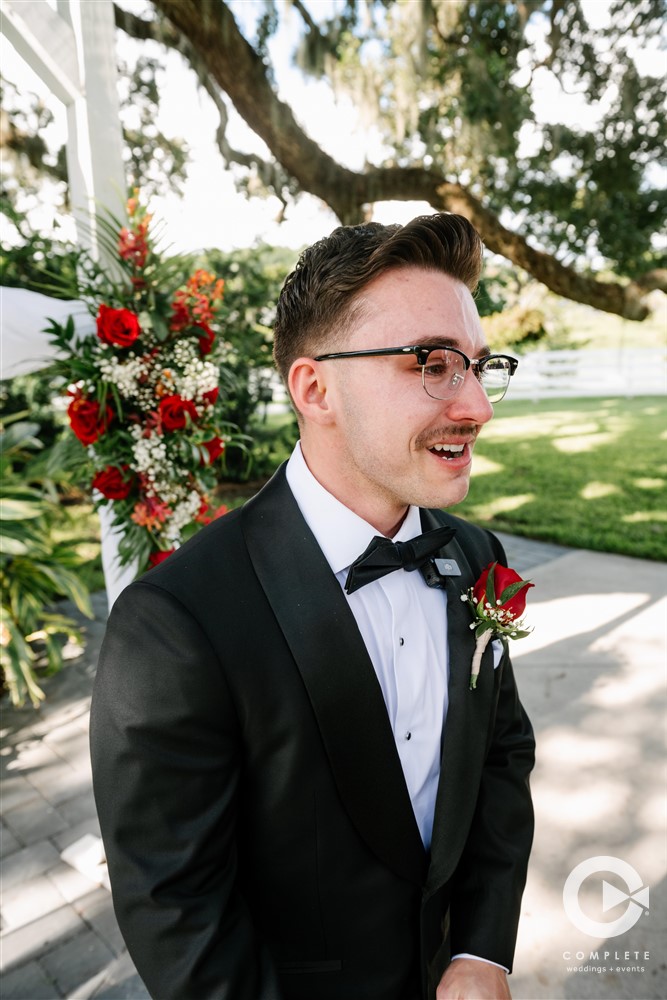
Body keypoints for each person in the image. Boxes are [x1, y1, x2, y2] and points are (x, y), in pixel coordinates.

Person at [90, 212, 535, 1000]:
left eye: (476, 364)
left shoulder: (475, 558)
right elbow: (178, 910)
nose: (476, 408)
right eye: (432, 364)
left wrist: (481, 948)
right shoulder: (174, 625)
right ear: (315, 387)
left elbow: (499, 759)